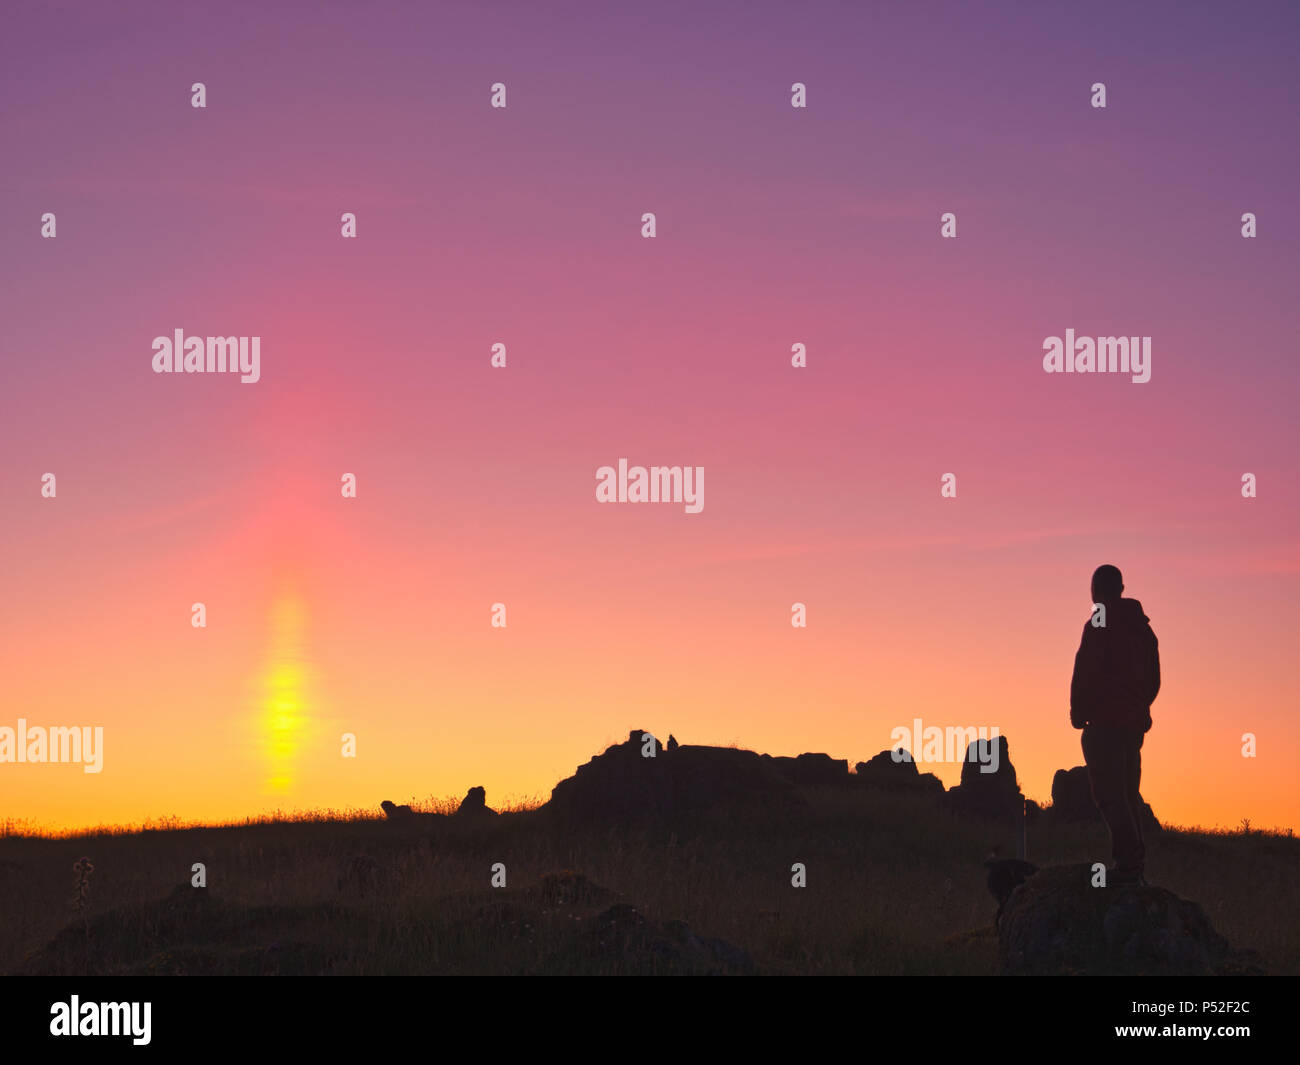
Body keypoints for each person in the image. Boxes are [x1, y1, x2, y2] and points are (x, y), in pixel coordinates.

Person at [1069, 564, 1160, 884]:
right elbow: (1154, 680)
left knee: (1110, 794)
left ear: (1097, 589)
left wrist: (1079, 712)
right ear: (1121, 588)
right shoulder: (1142, 628)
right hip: (1133, 726)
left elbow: (1086, 671)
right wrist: (1138, 708)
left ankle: (1128, 867)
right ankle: (1134, 865)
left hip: (1104, 724)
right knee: (1127, 794)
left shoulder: (1099, 621)